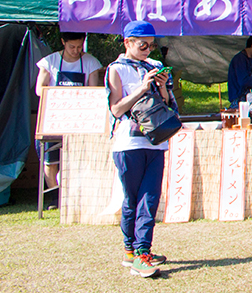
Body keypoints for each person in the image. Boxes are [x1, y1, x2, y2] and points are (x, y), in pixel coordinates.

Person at [107, 21, 178, 277]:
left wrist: (161, 86)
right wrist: (142, 87)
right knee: (132, 199)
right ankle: (131, 250)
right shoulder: (116, 69)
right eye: (142, 44)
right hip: (128, 143)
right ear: (127, 42)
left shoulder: (156, 66)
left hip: (156, 141)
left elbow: (169, 104)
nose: (148, 49)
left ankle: (142, 252)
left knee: (150, 199)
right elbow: (116, 109)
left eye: (151, 44)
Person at [35, 30, 103, 191]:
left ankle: (74, 194)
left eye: (79, 47)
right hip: (54, 118)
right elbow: (39, 89)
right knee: (50, 160)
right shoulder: (49, 62)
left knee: (78, 158)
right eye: (72, 46)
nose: (76, 51)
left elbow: (94, 90)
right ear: (63, 42)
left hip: (80, 119)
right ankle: (54, 194)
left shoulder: (90, 62)